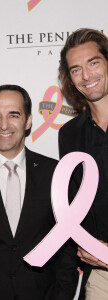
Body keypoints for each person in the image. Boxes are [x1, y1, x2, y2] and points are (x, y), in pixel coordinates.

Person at [0, 84, 78, 300]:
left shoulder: (55, 173)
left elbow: (67, 248)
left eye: (13, 115)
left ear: (28, 121)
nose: (3, 125)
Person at [58, 28, 108, 300]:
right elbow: (74, 208)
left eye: (93, 62)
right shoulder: (69, 135)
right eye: (76, 69)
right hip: (100, 276)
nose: (86, 76)